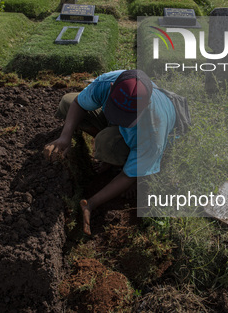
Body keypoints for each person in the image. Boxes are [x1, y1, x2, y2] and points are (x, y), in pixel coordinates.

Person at [43, 70, 178, 235]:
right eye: (117, 110)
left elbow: (129, 175)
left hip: (143, 134)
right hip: (126, 123)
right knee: (67, 102)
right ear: (112, 88)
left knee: (106, 143)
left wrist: (91, 203)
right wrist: (65, 138)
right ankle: (111, 153)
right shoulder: (106, 82)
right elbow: (78, 103)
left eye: (126, 115)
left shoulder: (154, 129)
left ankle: (122, 160)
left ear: (147, 104)